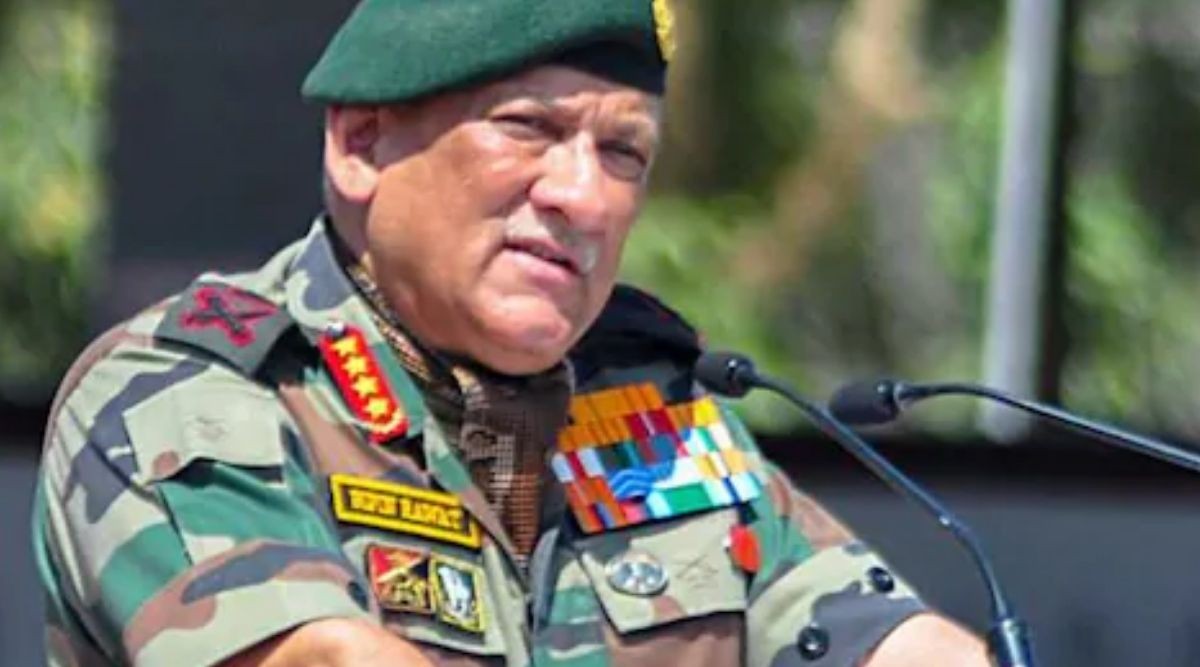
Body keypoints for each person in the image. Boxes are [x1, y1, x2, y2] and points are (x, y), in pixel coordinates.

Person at [32, 1, 989, 665]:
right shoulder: (195, 392)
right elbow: (323, 658)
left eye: (623, 152)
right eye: (528, 126)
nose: (584, 196)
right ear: (362, 144)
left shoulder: (657, 417)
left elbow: (895, 644)